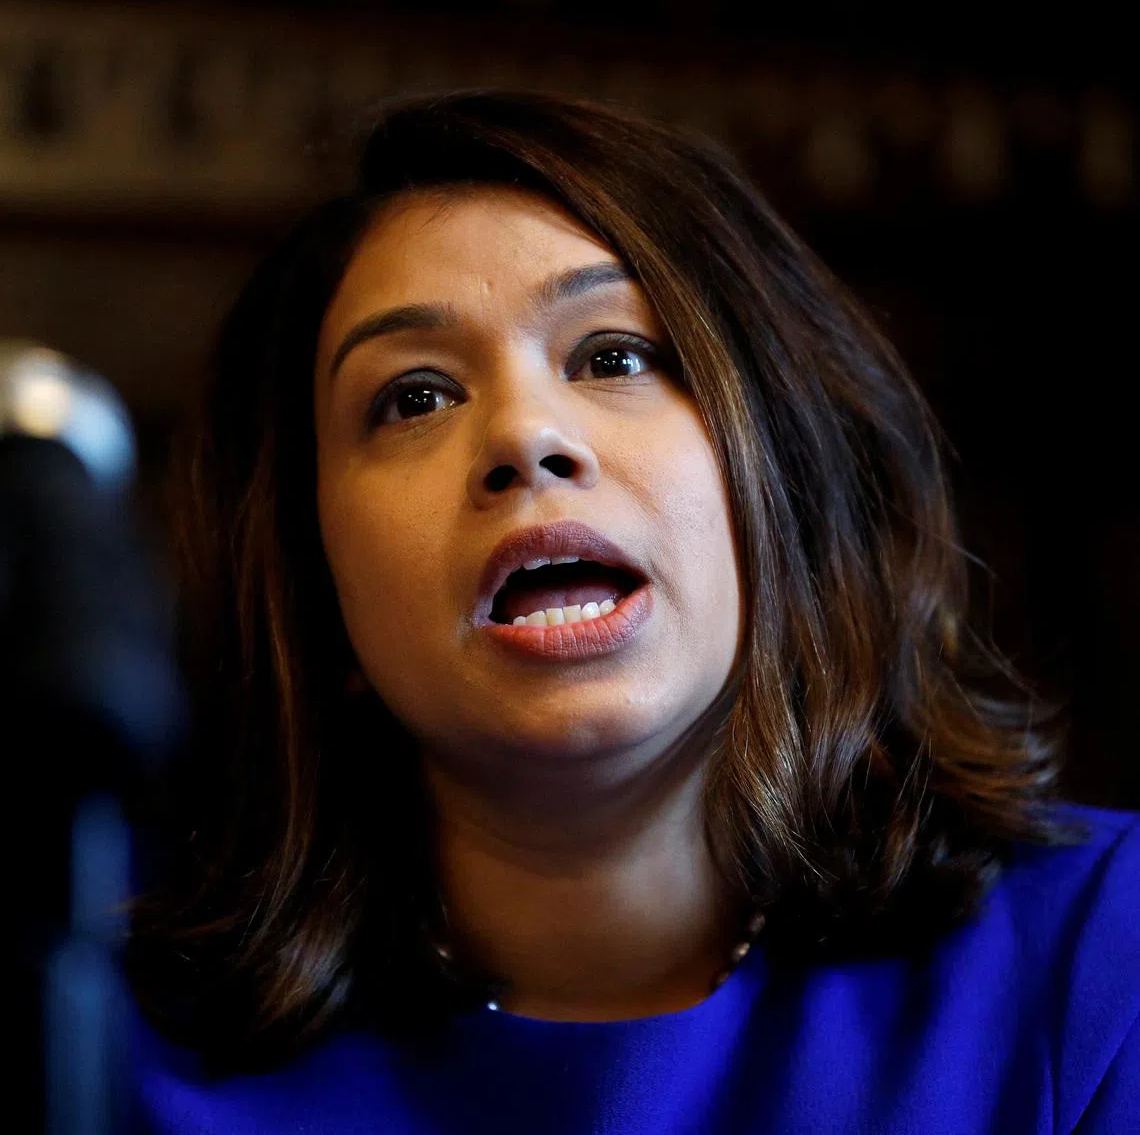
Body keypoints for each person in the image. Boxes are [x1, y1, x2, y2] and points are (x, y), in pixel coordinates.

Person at [127, 89, 1139, 1133]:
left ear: (786, 484)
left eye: (614, 357)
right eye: (415, 397)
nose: (525, 436)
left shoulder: (1099, 961)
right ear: (308, 573)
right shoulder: (106, 1050)